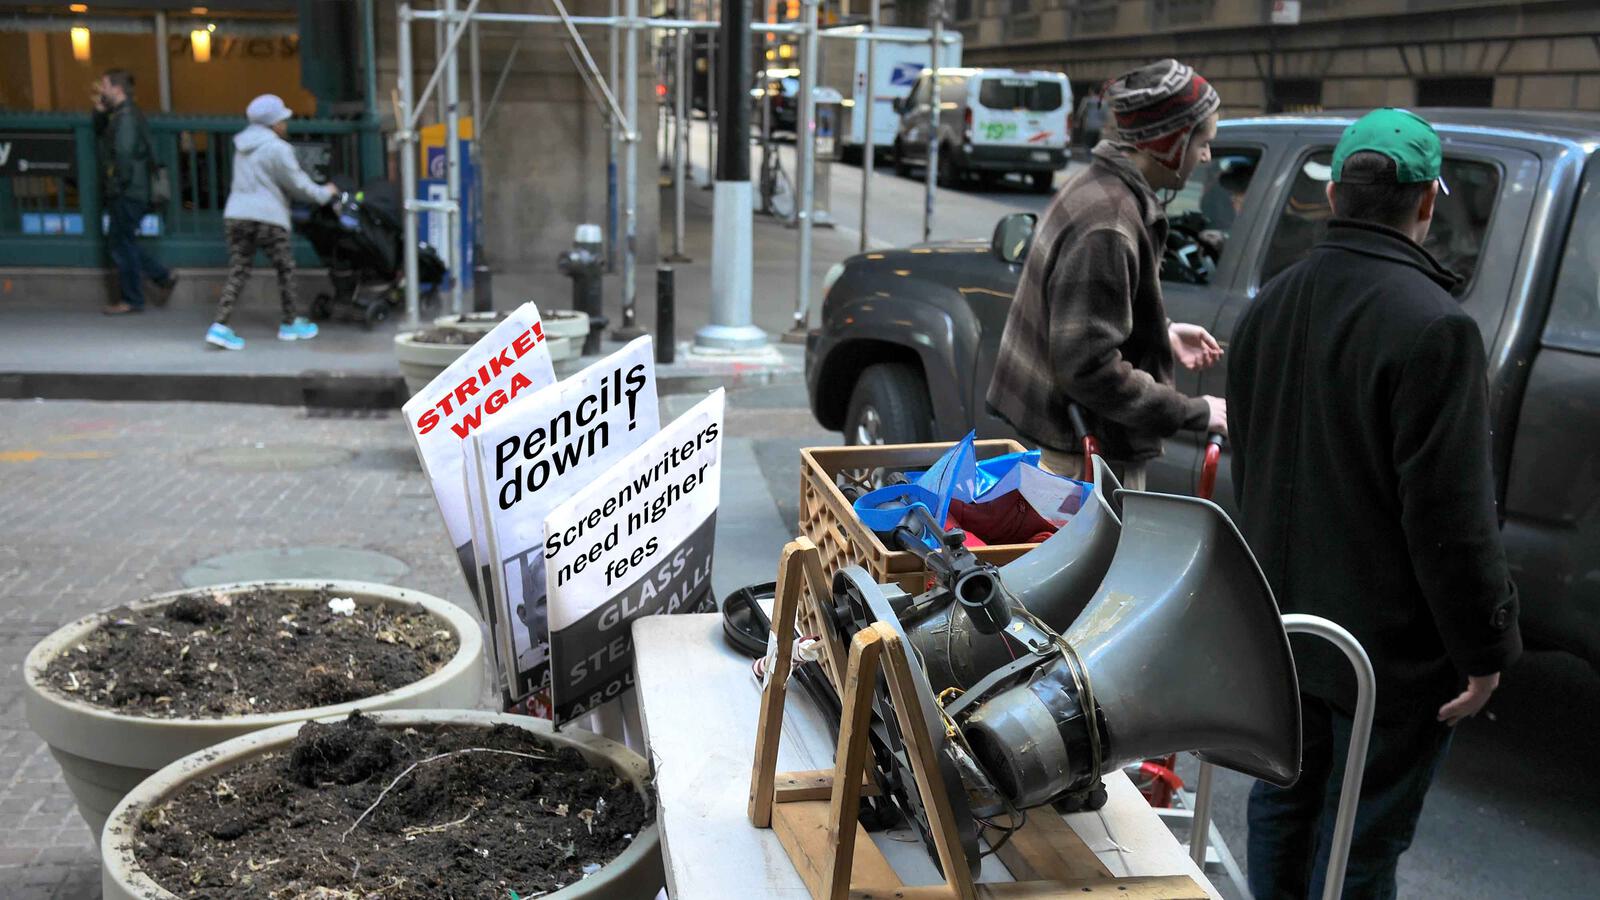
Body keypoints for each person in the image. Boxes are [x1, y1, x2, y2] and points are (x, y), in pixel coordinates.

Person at [1228, 108, 1522, 900]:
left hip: (1284, 629)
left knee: (1281, 806)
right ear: (1428, 201)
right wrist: (1486, 647)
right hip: (1383, 656)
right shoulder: (1436, 326)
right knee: (1359, 844)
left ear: (1332, 199)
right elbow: (1452, 518)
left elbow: (1253, 473)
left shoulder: (1270, 305)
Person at [986, 59, 1228, 489]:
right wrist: (1195, 411)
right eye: (1202, 142)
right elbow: (1088, 367)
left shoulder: (1099, 187)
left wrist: (1162, 333)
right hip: (1086, 464)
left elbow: (1086, 319)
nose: (1207, 155)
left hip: (1079, 449)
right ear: (1170, 142)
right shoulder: (1109, 221)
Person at [204, 94, 337, 350]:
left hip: (236, 214)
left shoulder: (241, 146)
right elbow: (297, 184)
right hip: (269, 216)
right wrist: (324, 193)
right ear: (274, 123)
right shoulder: (279, 148)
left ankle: (220, 325)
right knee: (285, 269)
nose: (286, 125)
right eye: (283, 120)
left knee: (239, 270)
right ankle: (289, 322)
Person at [93, 69, 175, 315]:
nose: (102, 90)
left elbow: (124, 155)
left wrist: (116, 186)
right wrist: (98, 112)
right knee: (123, 241)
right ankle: (161, 276)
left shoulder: (125, 118)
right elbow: (101, 131)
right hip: (135, 189)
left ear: (116, 89)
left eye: (105, 85)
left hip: (129, 190)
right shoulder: (125, 113)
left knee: (120, 243)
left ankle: (133, 298)